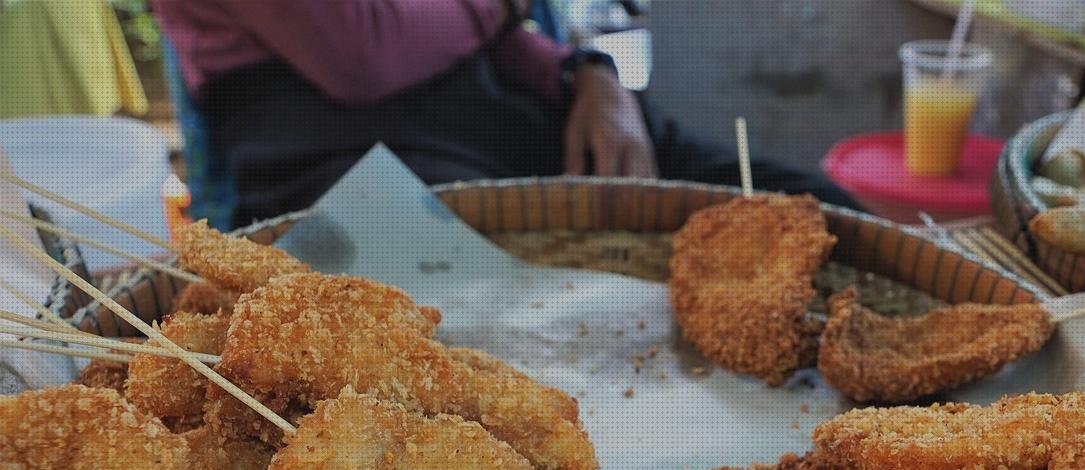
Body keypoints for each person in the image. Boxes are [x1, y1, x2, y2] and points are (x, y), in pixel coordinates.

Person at [151, 0, 856, 226]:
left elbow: (479, 34)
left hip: (510, 101)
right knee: (486, 326)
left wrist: (591, 77)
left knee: (816, 212)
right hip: (327, 143)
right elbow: (358, 53)